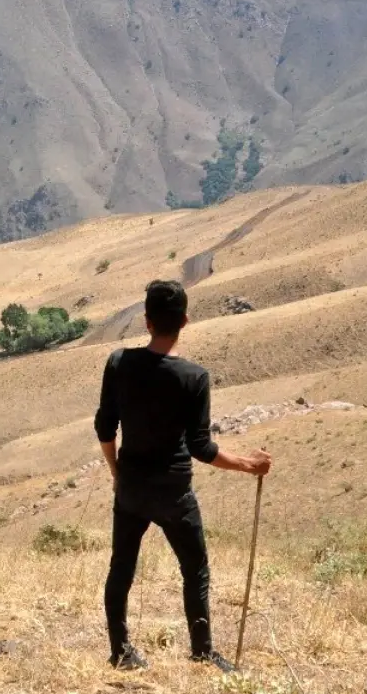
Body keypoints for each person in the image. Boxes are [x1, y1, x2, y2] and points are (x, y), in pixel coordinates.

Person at [94, 280, 271, 672]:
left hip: (133, 487)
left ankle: (120, 651)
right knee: (195, 569)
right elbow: (201, 448)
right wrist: (248, 464)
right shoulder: (194, 377)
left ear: (147, 321)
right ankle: (202, 651)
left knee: (121, 566)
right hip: (174, 492)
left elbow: (105, 429)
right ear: (185, 321)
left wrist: (116, 472)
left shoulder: (119, 363)